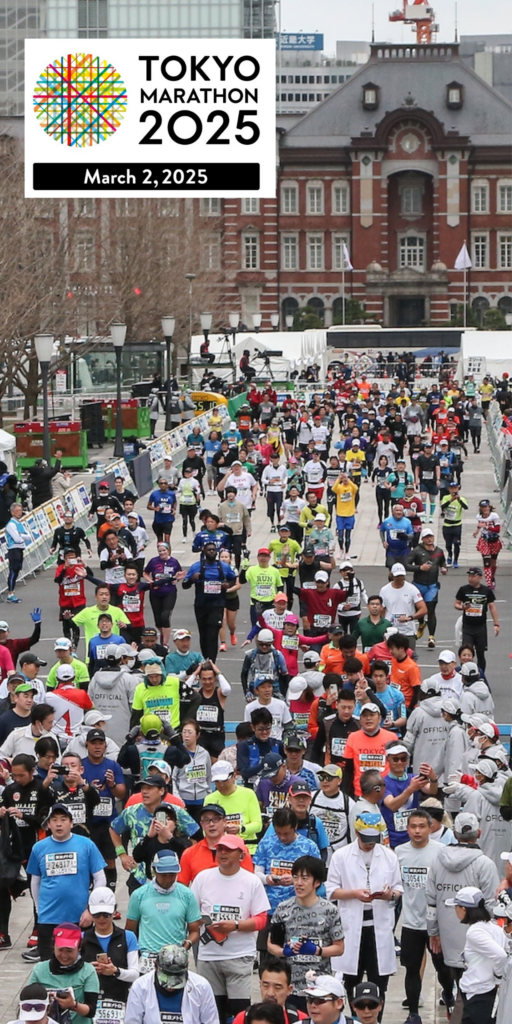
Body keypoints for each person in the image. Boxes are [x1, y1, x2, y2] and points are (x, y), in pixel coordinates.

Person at [426, 812, 500, 1015]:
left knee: (456, 984)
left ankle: (453, 1008)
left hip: (446, 939)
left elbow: (431, 901)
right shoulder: (485, 864)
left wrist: (433, 932)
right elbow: (493, 906)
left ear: (455, 833)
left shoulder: (437, 861)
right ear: (479, 833)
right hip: (477, 943)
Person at [191, 834, 271, 1023]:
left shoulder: (252, 881)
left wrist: (235, 926)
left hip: (239, 955)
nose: (223, 853)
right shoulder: (203, 878)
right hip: (208, 956)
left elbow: (261, 919)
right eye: (219, 849)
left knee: (240, 1012)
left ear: (241, 855)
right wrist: (202, 923)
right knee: (212, 1011)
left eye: (228, 849)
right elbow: (191, 914)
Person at [326, 812, 403, 1007]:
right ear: (357, 833)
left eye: (373, 840)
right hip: (352, 925)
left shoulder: (389, 856)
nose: (369, 844)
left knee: (379, 980)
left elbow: (398, 889)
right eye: (365, 839)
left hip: (379, 924)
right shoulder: (341, 856)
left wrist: (389, 895)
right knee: (351, 979)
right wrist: (354, 893)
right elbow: (332, 890)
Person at [27, 804, 107, 961]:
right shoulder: (39, 848)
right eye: (54, 820)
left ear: (71, 823)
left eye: (63, 819)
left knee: (81, 963)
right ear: (48, 824)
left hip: (79, 917)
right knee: (49, 964)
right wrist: (38, 908)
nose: (58, 824)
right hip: (48, 918)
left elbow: (101, 878)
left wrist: (91, 909)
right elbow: (35, 881)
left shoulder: (87, 845)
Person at [268, 855, 345, 1011]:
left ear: (316, 882)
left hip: (319, 987)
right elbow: (271, 945)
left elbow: (339, 948)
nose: (299, 883)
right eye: (295, 877)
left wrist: (318, 951)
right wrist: (284, 952)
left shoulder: (330, 911)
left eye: (305, 878)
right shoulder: (283, 909)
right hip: (290, 987)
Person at [109, 774, 199, 892]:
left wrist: (186, 857)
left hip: (170, 877)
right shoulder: (131, 812)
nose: (144, 792)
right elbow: (113, 829)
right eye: (142, 788)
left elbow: (197, 835)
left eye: (149, 788)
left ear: (161, 790)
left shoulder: (175, 812)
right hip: (140, 876)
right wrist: (122, 855)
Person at [125, 850, 201, 970]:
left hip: (176, 959)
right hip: (148, 959)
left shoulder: (187, 895)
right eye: (163, 875)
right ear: (154, 870)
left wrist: (187, 944)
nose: (168, 879)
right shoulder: (139, 895)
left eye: (172, 875)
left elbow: (195, 931)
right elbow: (129, 931)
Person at [445, 887, 508, 1024]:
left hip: (478, 995)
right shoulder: (494, 927)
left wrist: (498, 979)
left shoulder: (474, 932)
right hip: (484, 994)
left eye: (456, 906)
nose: (455, 910)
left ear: (464, 909)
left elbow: (501, 956)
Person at [82, 887, 140, 1015]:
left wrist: (116, 971)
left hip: (120, 1001)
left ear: (114, 911)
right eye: (97, 914)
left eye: (106, 914)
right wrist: (87, 970)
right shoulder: (82, 938)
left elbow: (135, 974)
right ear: (90, 911)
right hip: (90, 1002)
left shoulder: (128, 937)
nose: (101, 919)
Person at [29, 923, 99, 1024]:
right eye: (60, 950)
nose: (64, 955)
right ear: (53, 946)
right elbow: (28, 1002)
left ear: (79, 948)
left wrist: (73, 1005)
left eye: (69, 951)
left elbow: (91, 1010)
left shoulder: (88, 971)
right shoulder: (39, 969)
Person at [183, 542, 236, 661]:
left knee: (212, 634)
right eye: (209, 550)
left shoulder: (224, 567)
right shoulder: (196, 566)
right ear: (204, 552)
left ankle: (211, 662)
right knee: (204, 634)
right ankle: (205, 658)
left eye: (213, 550)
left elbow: (233, 579)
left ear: (216, 552)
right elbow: (184, 585)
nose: (211, 552)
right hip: (201, 605)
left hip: (217, 605)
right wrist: (192, 579)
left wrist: (228, 585)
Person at [178, 803, 254, 885]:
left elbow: (249, 882)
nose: (211, 824)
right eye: (206, 820)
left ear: (224, 821)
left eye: (216, 819)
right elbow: (182, 886)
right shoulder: (189, 853)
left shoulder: (239, 849)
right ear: (202, 824)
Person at [203, 759, 262, 852]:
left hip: (247, 847)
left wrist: (240, 828)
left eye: (224, 780)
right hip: (221, 848)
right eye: (217, 781)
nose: (221, 785)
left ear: (234, 776)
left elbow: (258, 825)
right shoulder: (210, 799)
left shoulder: (249, 794)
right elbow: (205, 830)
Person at [232, 958, 305, 1024]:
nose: (270, 993)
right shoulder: (243, 1018)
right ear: (260, 984)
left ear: (289, 989)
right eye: (266, 986)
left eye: (277, 987)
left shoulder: (300, 1020)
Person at [455, 567, 500, 671]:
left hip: (480, 627)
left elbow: (492, 607)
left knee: (480, 653)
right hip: (467, 627)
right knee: (466, 653)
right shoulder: (463, 589)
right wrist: (462, 607)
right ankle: (464, 675)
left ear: (480, 577)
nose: (470, 578)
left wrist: (496, 624)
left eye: (473, 576)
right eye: (469, 576)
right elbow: (456, 604)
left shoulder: (486, 591)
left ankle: (481, 675)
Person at [143, 541, 184, 647]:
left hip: (169, 592)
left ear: (168, 550)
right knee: (158, 620)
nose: (162, 553)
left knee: (165, 616)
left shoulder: (174, 562)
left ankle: (165, 644)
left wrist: (177, 579)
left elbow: (179, 574)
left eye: (164, 550)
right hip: (155, 593)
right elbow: (145, 573)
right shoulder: (154, 561)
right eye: (160, 551)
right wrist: (151, 582)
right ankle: (163, 633)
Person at [379, 563, 426, 651]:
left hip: (408, 631)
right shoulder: (384, 590)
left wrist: (410, 618)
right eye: (397, 576)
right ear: (392, 575)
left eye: (402, 575)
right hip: (390, 630)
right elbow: (382, 611)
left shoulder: (412, 589)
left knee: (409, 658)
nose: (400, 578)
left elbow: (423, 609)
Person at [473, 500, 502, 588]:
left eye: (486, 507)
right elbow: (480, 523)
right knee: (486, 562)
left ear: (489, 507)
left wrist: (486, 526)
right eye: (483, 507)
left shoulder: (494, 516)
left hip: (494, 541)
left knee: (493, 562)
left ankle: (492, 577)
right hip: (484, 540)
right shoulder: (479, 516)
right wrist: (477, 531)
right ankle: (489, 583)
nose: (485, 509)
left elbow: (497, 529)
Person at [5, 502, 30, 602]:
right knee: (13, 571)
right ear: (12, 512)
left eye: (20, 510)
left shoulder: (19, 523)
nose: (20, 513)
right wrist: (21, 536)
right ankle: (10, 593)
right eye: (17, 511)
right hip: (14, 549)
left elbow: (28, 536)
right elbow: (17, 539)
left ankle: (12, 592)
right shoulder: (11, 524)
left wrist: (21, 535)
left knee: (16, 571)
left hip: (20, 549)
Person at [440, 482, 468, 568]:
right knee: (448, 544)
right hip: (447, 525)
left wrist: (458, 500)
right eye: (451, 488)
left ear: (458, 489)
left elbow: (466, 507)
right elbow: (443, 506)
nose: (453, 490)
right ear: (449, 489)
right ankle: (449, 554)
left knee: (456, 543)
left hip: (457, 525)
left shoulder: (462, 498)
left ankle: (455, 560)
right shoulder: (445, 497)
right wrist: (450, 500)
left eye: (455, 488)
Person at [147, 478, 176, 544]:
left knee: (167, 540)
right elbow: (148, 506)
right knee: (160, 541)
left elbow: (175, 502)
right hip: (158, 520)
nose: (163, 485)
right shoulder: (154, 494)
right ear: (159, 485)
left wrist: (174, 509)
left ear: (167, 485)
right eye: (161, 483)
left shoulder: (171, 494)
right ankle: (161, 553)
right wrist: (155, 508)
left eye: (165, 483)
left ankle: (168, 554)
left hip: (168, 519)